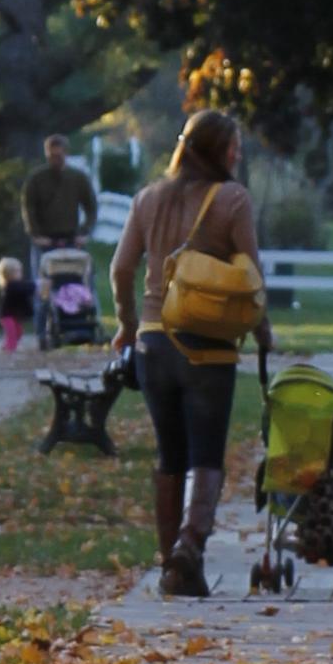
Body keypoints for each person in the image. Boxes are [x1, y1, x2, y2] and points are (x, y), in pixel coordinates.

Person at [110, 110, 273, 597]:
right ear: (217, 151)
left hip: (153, 346)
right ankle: (189, 544)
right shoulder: (232, 200)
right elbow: (251, 277)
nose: (237, 156)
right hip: (209, 347)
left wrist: (128, 324)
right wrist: (263, 333)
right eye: (232, 148)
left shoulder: (147, 199)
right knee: (206, 454)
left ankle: (171, 569)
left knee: (169, 456)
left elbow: (121, 269)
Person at [21, 134, 99, 350]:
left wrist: (85, 232)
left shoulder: (77, 178)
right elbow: (29, 208)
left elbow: (91, 206)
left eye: (59, 155)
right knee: (44, 286)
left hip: (71, 237)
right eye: (51, 156)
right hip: (44, 240)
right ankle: (41, 332)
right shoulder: (36, 179)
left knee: (81, 280)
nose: (55, 159)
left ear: (66, 153)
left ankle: (87, 326)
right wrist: (35, 234)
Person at [0, 256, 36, 352]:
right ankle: (10, 350)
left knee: (19, 333)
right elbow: (24, 289)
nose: (20, 273)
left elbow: (25, 289)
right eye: (17, 271)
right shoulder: (10, 286)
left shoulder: (18, 284)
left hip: (14, 316)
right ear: (8, 274)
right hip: (7, 316)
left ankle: (6, 347)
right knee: (12, 334)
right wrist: (35, 286)